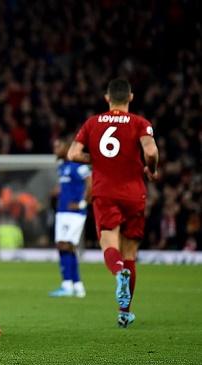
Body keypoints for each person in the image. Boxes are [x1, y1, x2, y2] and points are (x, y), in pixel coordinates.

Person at [68, 78, 159, 327]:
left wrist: (96, 159)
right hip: (134, 193)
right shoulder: (140, 123)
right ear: (130, 97)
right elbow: (150, 152)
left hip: (105, 192)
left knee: (109, 243)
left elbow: (73, 153)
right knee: (130, 252)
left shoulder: (93, 122)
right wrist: (151, 169)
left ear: (107, 98)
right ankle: (124, 312)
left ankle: (117, 271)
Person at [49, 135, 90, 298]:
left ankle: (71, 285)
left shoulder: (78, 165)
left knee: (67, 245)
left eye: (58, 146)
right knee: (63, 245)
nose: (55, 150)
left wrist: (82, 204)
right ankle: (74, 285)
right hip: (62, 211)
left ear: (67, 148)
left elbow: (91, 183)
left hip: (74, 213)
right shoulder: (62, 167)